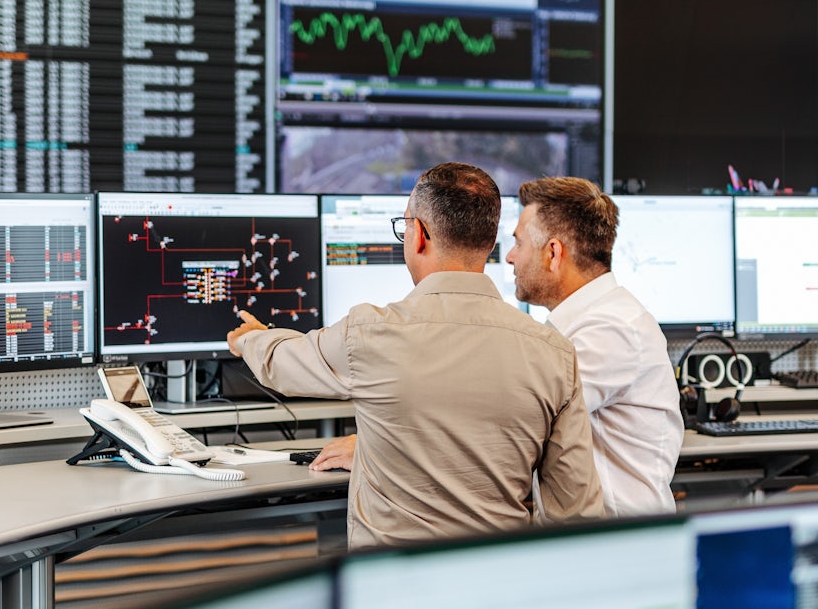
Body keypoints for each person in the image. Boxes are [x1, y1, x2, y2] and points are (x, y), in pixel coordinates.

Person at [227, 163, 604, 549]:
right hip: (499, 584)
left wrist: (251, 340)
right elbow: (576, 512)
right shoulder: (555, 353)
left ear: (418, 235)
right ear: (489, 242)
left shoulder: (370, 333)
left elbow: (282, 364)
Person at [505, 177, 683, 516]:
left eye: (518, 243)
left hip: (617, 548)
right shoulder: (586, 323)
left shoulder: (610, 330)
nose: (511, 257)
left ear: (553, 253)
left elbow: (519, 419)